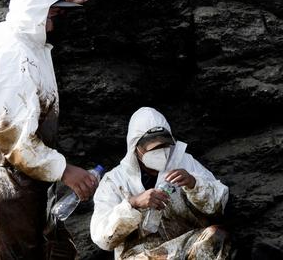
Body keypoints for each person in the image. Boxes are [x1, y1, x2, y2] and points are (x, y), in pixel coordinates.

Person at [0, 0, 98, 258]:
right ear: (37, 13)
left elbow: (31, 13)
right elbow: (14, 139)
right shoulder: (15, 56)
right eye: (53, 13)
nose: (56, 20)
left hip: (22, 181)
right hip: (11, 188)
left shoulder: (12, 32)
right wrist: (64, 170)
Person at [90, 107, 232, 259]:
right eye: (154, 148)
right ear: (136, 148)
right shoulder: (115, 180)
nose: (162, 152)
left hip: (187, 243)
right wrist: (133, 204)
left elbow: (220, 203)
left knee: (216, 237)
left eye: (164, 145)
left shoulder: (184, 162)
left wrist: (193, 183)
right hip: (140, 254)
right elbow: (102, 238)